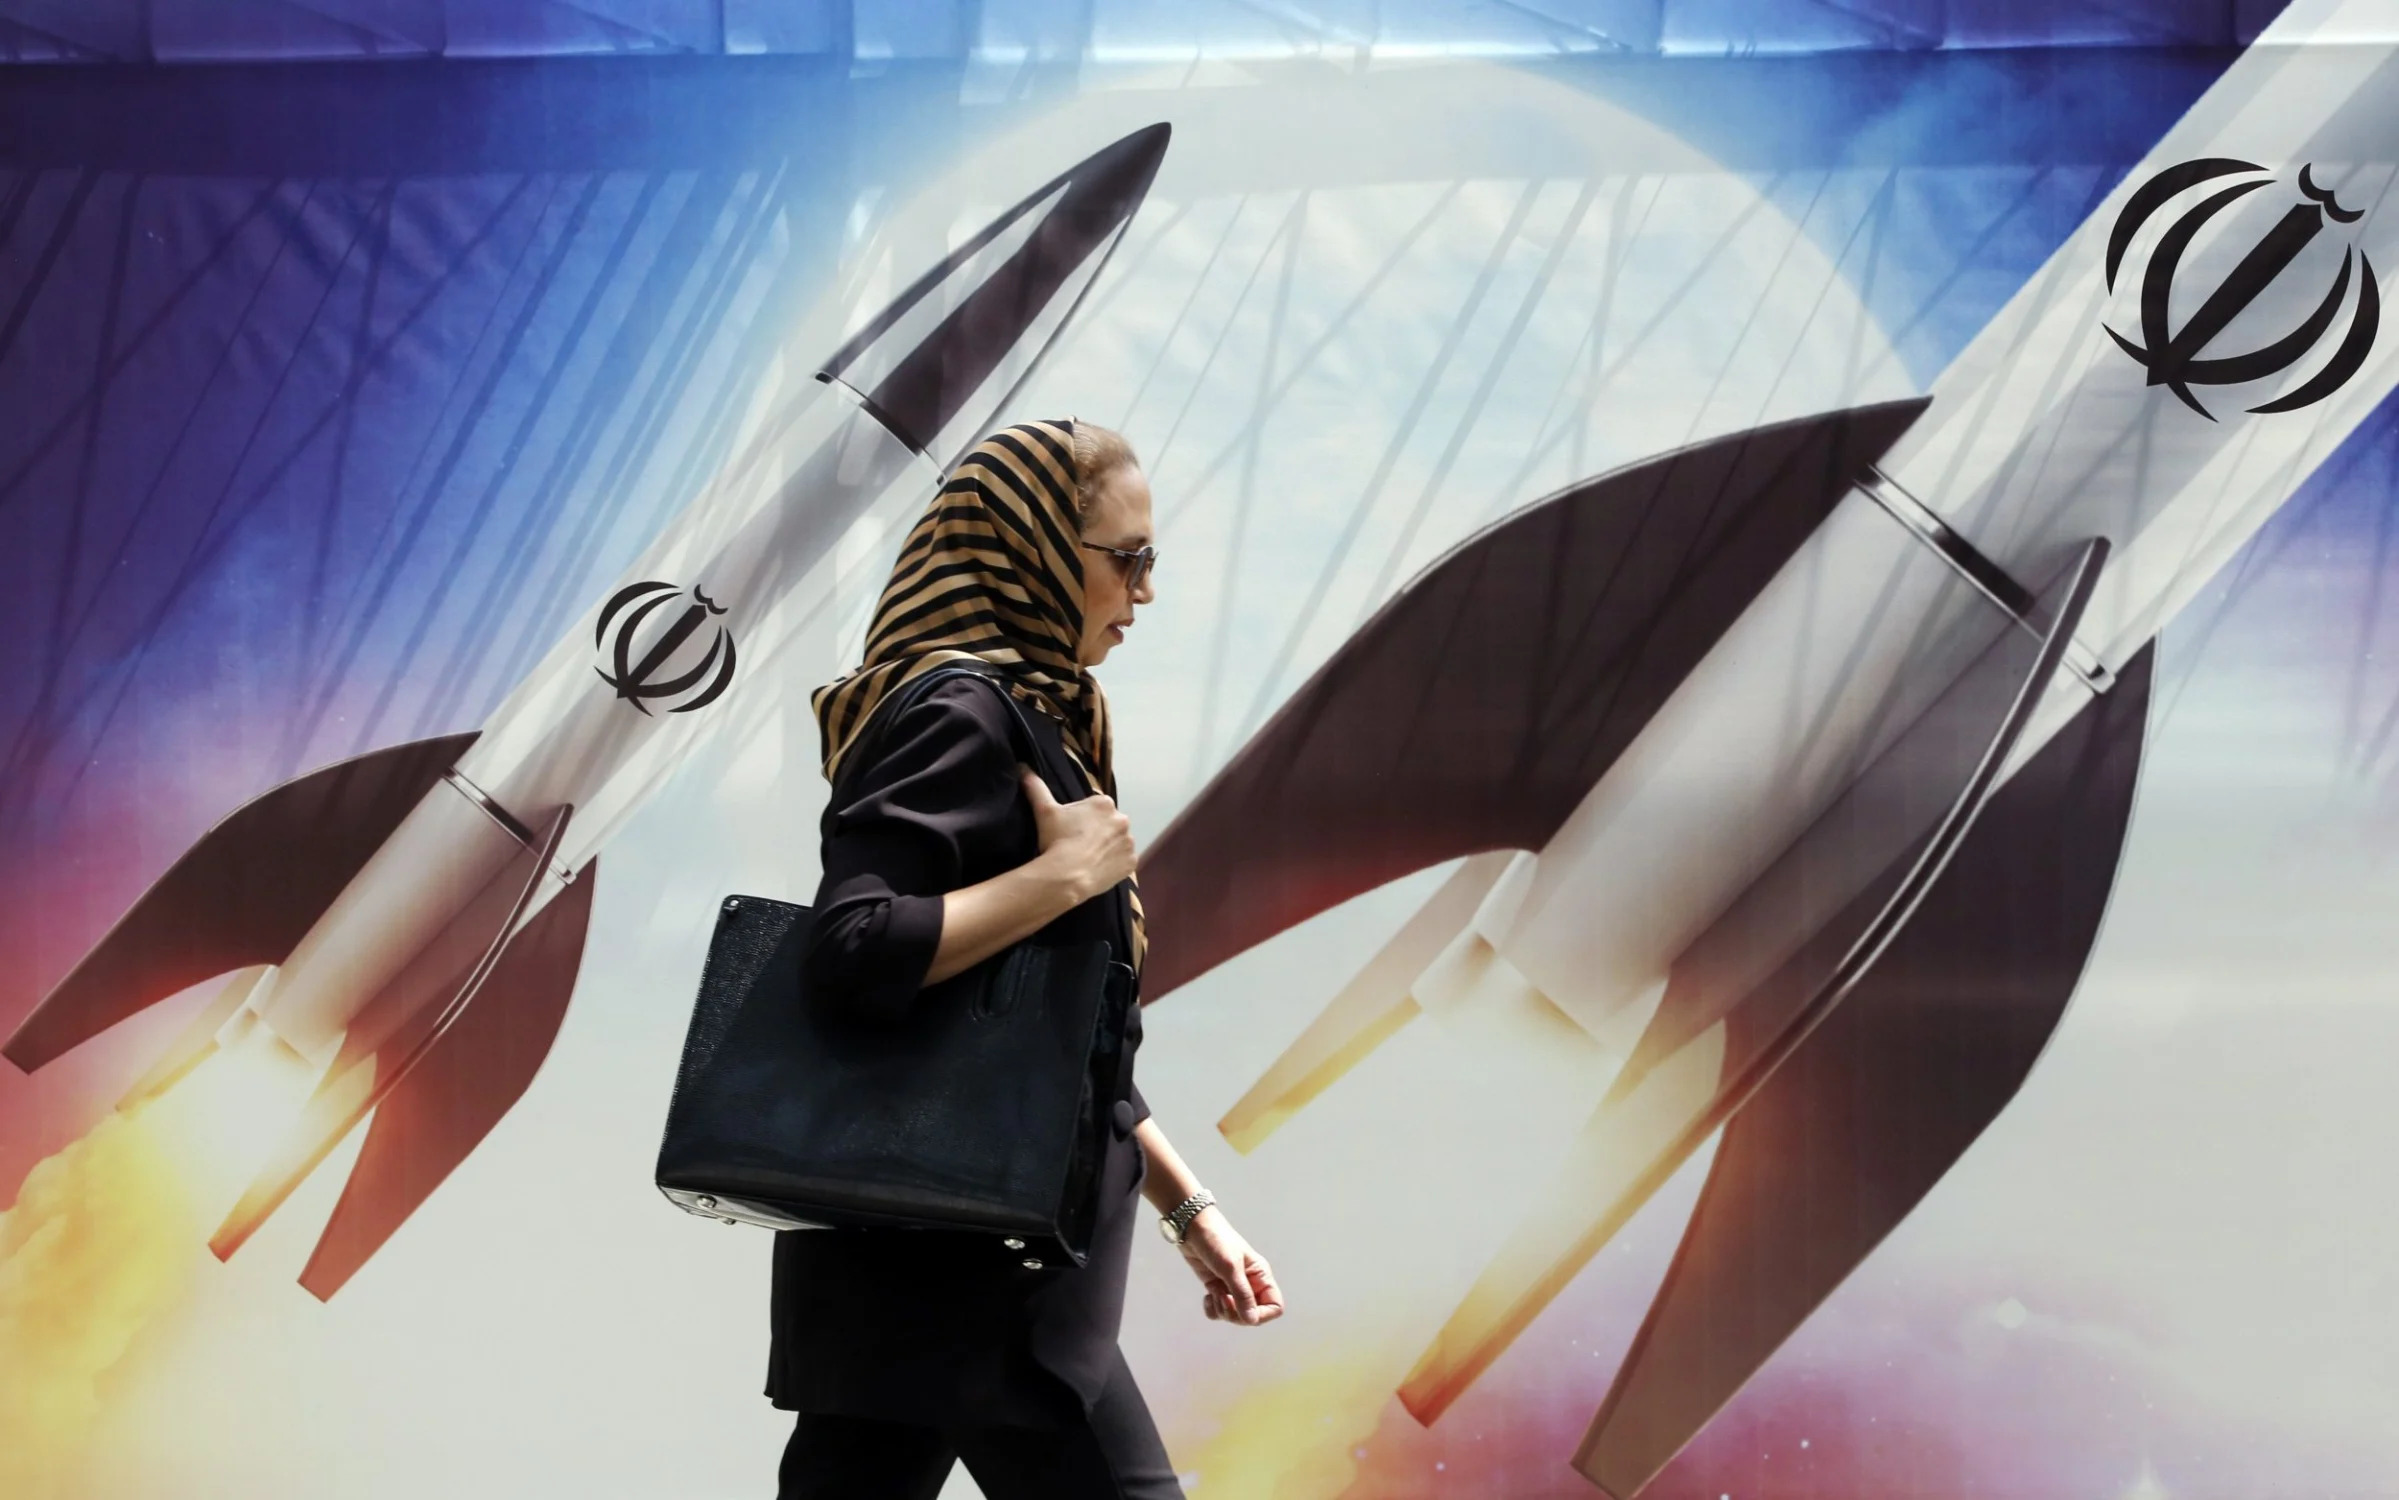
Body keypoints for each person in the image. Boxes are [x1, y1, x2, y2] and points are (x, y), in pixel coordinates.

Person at [772, 418, 1284, 1500]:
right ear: (1029, 549)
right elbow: (851, 949)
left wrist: (1191, 1212)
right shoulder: (958, 716)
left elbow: (1063, 1035)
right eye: (1127, 559)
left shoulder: (1042, 722)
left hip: (959, 1266)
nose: (1143, 593)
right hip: (972, 1269)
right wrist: (1058, 882)